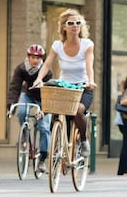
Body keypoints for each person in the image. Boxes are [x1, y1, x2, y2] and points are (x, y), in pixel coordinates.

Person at [33, 9, 96, 158]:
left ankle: (83, 140)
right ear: (64, 27)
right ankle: (56, 143)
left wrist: (91, 80)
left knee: (78, 110)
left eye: (78, 23)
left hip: (83, 87)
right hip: (64, 87)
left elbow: (89, 65)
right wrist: (39, 78)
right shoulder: (57, 46)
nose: (75, 25)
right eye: (71, 23)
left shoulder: (87, 44)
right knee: (55, 111)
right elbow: (47, 64)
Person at [6, 44, 53, 172]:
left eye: (38, 58)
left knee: (44, 128)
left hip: (43, 98)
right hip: (28, 94)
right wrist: (10, 105)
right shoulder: (21, 69)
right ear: (28, 57)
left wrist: (43, 110)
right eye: (33, 57)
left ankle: (42, 158)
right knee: (21, 112)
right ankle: (25, 133)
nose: (35, 60)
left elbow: (49, 92)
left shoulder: (47, 71)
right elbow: (15, 86)